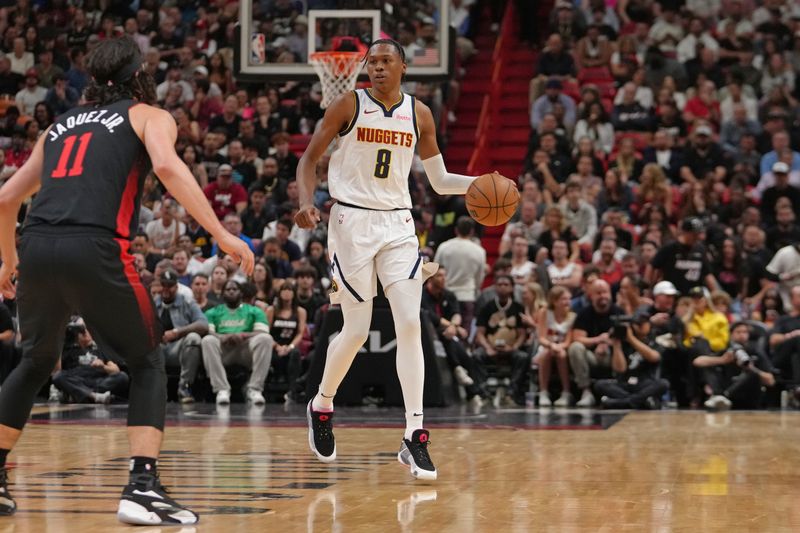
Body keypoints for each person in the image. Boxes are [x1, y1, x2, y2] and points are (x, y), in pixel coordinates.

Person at [0, 38, 254, 525]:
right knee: (147, 359)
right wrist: (220, 233)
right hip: (95, 247)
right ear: (140, 75)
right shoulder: (148, 115)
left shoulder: (57, 126)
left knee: (35, 361)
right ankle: (142, 486)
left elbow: (8, 198)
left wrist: (8, 261)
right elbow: (165, 165)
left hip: (37, 246)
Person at [294, 39, 495, 481]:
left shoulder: (419, 113)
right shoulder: (348, 105)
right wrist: (308, 201)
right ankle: (322, 403)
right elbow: (308, 160)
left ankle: (414, 434)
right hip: (350, 223)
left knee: (409, 323)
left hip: (399, 225)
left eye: (387, 61)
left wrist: (480, 183)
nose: (378, 68)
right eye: (372, 62)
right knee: (357, 328)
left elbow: (439, 180)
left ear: (404, 66)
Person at [201, 280, 275, 406]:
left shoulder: (254, 311)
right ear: (222, 293)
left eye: (234, 289)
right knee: (208, 340)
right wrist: (223, 337)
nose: (231, 291)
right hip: (224, 351)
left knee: (265, 339)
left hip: (245, 351)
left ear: (241, 293)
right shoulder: (212, 312)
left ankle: (254, 389)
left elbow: (262, 331)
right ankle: (222, 390)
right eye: (228, 289)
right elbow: (208, 332)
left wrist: (243, 335)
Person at [594, 308, 669, 409]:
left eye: (643, 323)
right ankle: (641, 402)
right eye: (637, 323)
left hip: (645, 384)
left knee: (663, 384)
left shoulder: (654, 343)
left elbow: (653, 357)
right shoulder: (624, 343)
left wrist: (631, 338)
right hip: (625, 383)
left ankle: (619, 403)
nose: (640, 326)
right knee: (600, 384)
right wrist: (617, 345)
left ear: (649, 324)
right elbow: (620, 369)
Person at [153, 269, 208, 403]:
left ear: (176, 287)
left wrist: (177, 332)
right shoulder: (153, 303)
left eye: (169, 286)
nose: (166, 289)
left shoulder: (187, 302)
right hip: (157, 348)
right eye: (163, 285)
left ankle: (184, 387)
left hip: (178, 349)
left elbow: (203, 324)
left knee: (193, 338)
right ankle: (157, 390)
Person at [568, 279, 624, 407]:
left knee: (619, 347)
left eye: (605, 292)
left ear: (610, 294)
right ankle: (585, 391)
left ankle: (619, 388)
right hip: (592, 356)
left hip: (613, 354)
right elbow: (577, 338)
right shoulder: (584, 313)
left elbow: (626, 338)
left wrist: (608, 343)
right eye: (598, 293)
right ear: (591, 295)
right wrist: (598, 340)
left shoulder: (619, 312)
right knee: (575, 347)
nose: (602, 296)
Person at [534, 286, 575, 407]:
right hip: (547, 346)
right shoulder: (544, 313)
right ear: (554, 301)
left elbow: (568, 341)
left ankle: (566, 392)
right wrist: (551, 345)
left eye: (569, 299)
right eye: (564, 299)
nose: (567, 302)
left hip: (563, 347)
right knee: (546, 353)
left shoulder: (572, 316)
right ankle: (543, 392)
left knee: (561, 354)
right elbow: (541, 337)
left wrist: (558, 347)